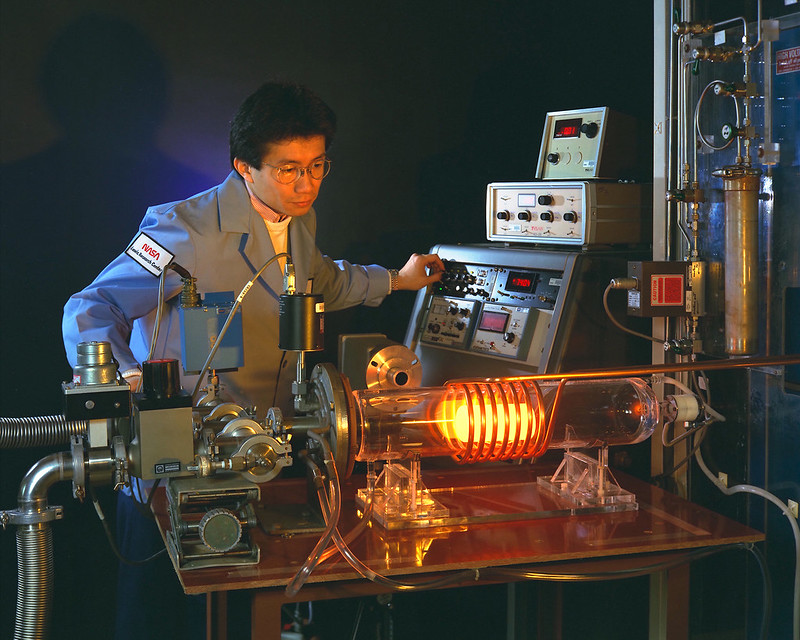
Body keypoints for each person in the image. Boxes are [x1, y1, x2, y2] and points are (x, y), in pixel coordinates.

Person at [61, 80, 444, 640]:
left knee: (241, 619)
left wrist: (398, 279)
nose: (306, 184)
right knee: (159, 622)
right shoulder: (180, 230)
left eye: (317, 166)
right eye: (289, 169)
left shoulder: (300, 222)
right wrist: (126, 379)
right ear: (245, 166)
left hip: (259, 459)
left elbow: (326, 284)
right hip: (175, 470)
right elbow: (89, 308)